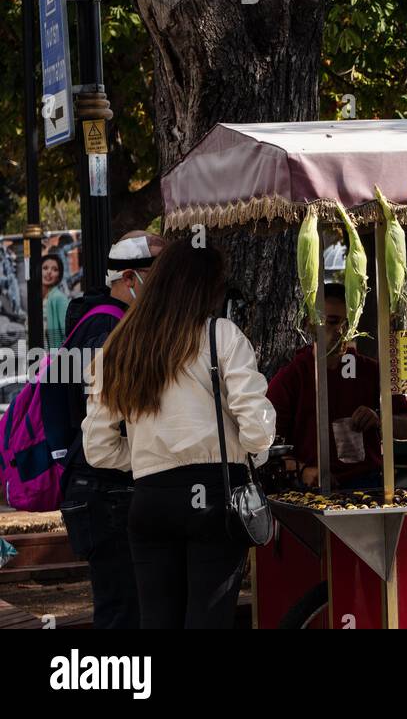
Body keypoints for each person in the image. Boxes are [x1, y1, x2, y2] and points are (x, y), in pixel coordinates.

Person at [81, 241, 276, 629]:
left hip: (151, 497)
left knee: (157, 619)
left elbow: (98, 448)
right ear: (207, 290)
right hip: (217, 492)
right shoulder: (221, 335)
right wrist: (250, 455)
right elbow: (256, 424)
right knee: (208, 619)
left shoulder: (119, 345)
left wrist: (146, 461)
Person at [43, 231, 165, 630]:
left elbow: (54, 385)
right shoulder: (109, 329)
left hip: (94, 485)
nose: (168, 282)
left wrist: (64, 455)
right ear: (130, 277)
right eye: (160, 273)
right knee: (123, 609)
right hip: (105, 488)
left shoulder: (95, 320)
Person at [267, 283, 407, 490]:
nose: (341, 331)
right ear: (312, 324)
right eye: (332, 322)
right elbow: (268, 448)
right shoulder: (291, 377)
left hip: (367, 485)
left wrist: (380, 420)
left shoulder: (372, 371)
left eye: (349, 324)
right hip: (311, 490)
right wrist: (304, 470)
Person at [41, 254, 70, 349]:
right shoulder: (36, 299)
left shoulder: (59, 298)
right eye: (45, 268)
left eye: (54, 269)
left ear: (59, 276)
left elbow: (67, 333)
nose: (49, 272)